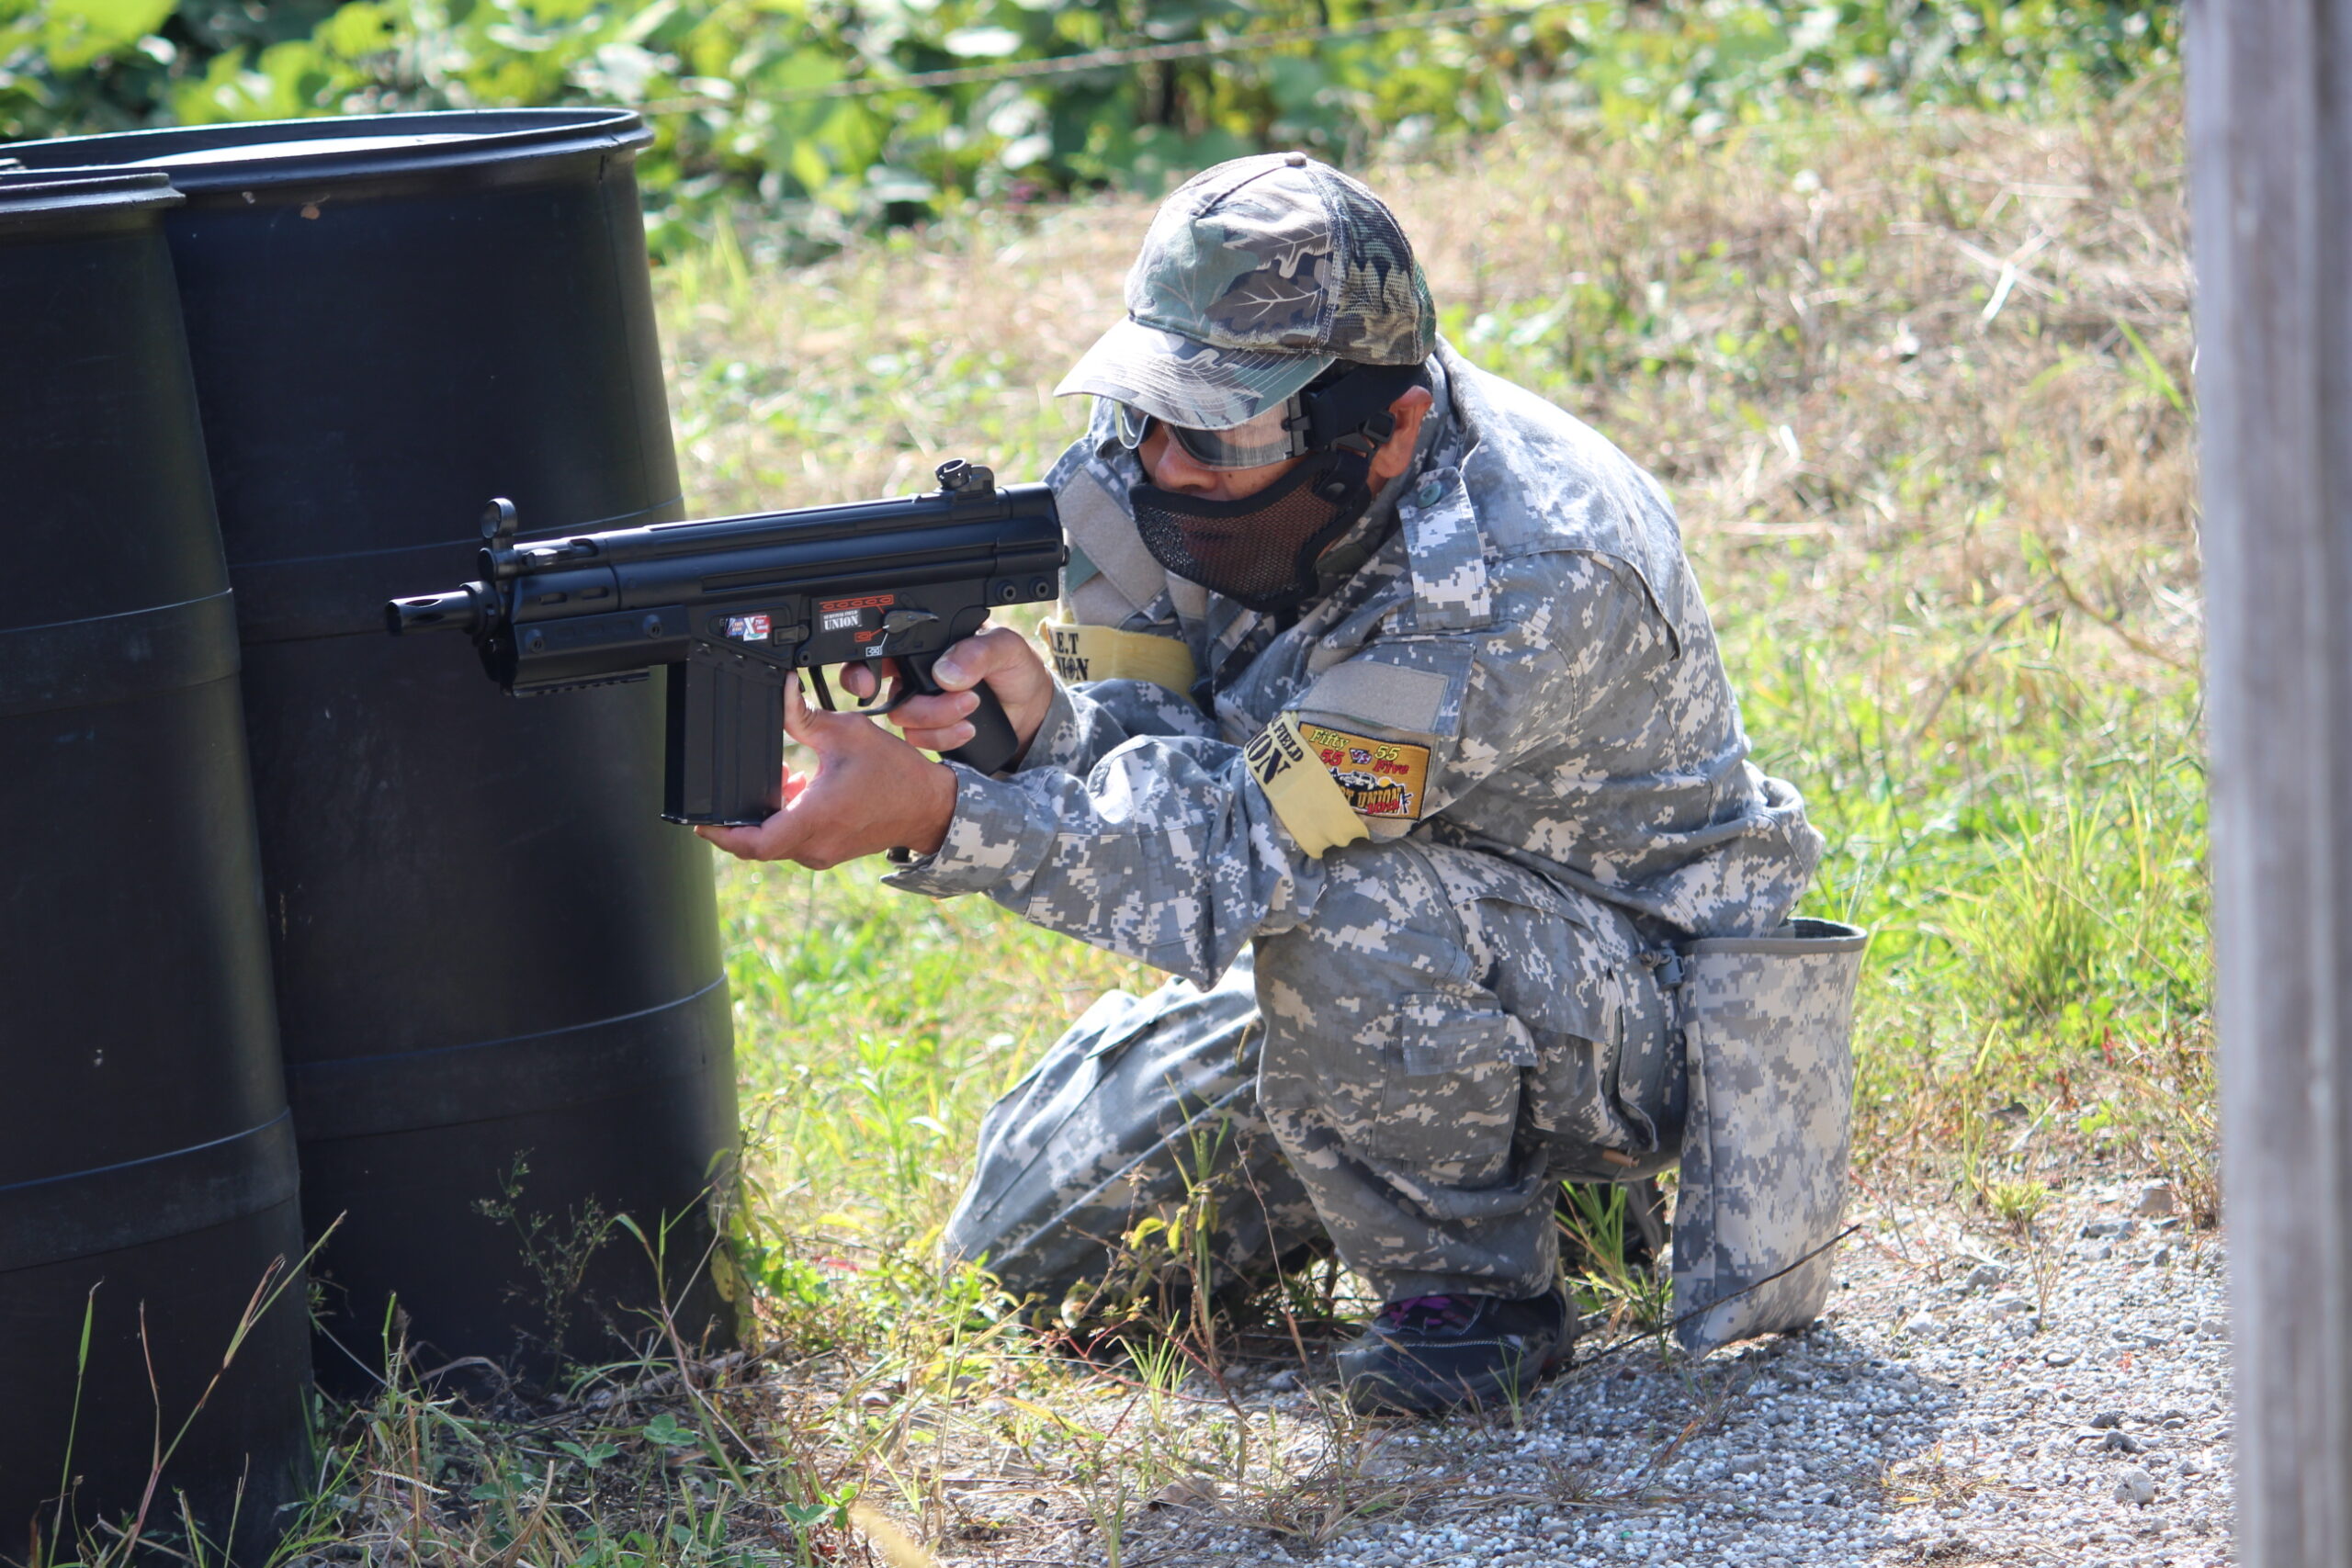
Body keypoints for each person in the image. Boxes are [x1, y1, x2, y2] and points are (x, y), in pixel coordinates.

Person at [699, 152, 1824, 1415]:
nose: (1163, 460)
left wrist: (938, 816)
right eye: (1149, 403)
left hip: (1642, 998)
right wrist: (1037, 729)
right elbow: (1160, 731)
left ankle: (1479, 1296)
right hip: (1393, 937)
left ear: (1386, 431)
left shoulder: (1523, 577)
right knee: (1025, 1259)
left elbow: (1248, 848)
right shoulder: (1140, 483)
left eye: (1219, 427)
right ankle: (1500, 1169)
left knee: (1355, 913)